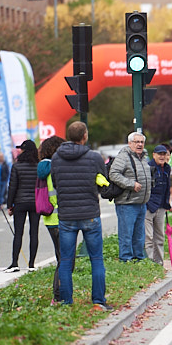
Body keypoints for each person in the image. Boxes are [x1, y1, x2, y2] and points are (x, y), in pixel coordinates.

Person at [50, 121, 110, 310]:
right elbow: (102, 181)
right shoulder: (94, 157)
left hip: (66, 215)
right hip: (90, 213)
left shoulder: (56, 158)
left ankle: (67, 302)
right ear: (84, 135)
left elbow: (56, 183)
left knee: (66, 260)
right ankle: (98, 301)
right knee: (96, 259)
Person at [109, 131, 152, 262]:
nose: (139, 144)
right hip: (127, 203)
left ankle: (139, 258)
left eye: (141, 142)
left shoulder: (143, 157)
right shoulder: (124, 156)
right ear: (129, 143)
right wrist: (131, 184)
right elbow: (114, 173)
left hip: (141, 202)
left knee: (139, 234)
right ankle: (126, 259)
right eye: (136, 142)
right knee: (126, 233)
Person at [36, 135, 65, 303]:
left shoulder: (43, 168)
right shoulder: (56, 168)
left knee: (61, 257)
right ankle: (59, 296)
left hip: (49, 218)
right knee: (65, 260)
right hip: (60, 216)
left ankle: (59, 295)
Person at [5, 139, 40, 271]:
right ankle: (31, 264)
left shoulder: (17, 166)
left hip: (20, 202)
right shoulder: (38, 166)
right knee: (34, 232)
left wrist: (10, 204)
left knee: (18, 233)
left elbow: (12, 187)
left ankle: (15, 263)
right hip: (35, 202)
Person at [145, 144, 172, 264]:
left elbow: (167, 187)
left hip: (161, 206)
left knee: (160, 236)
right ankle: (150, 262)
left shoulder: (167, 168)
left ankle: (159, 262)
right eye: (159, 154)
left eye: (164, 154)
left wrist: (167, 204)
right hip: (149, 206)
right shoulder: (148, 167)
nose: (162, 156)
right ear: (154, 155)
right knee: (148, 237)